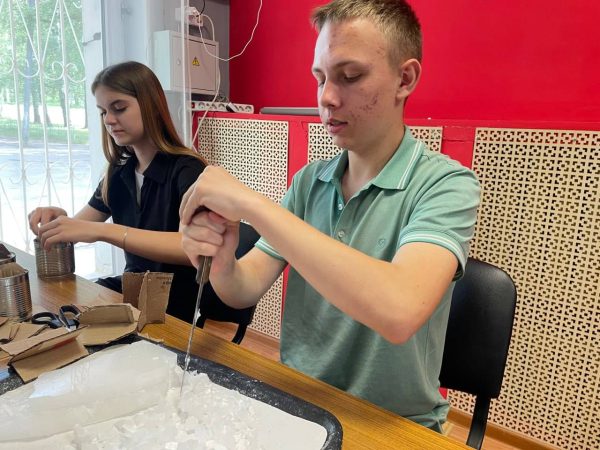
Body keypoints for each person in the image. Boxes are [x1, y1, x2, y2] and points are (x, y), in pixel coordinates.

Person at [180, 0, 481, 432]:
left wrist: (253, 205)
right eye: (320, 78)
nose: (326, 97)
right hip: (301, 401)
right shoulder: (310, 182)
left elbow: (399, 311)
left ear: (405, 79)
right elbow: (243, 289)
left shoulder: (446, 185)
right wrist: (223, 259)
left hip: (394, 423)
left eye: (350, 76)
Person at [29, 61, 205, 323]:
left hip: (171, 308)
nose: (109, 120)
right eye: (103, 112)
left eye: (119, 108)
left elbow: (191, 249)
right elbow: (81, 227)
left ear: (151, 106)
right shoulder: (118, 172)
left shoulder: (188, 170)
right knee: (60, 316)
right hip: (132, 292)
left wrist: (105, 232)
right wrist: (59, 220)